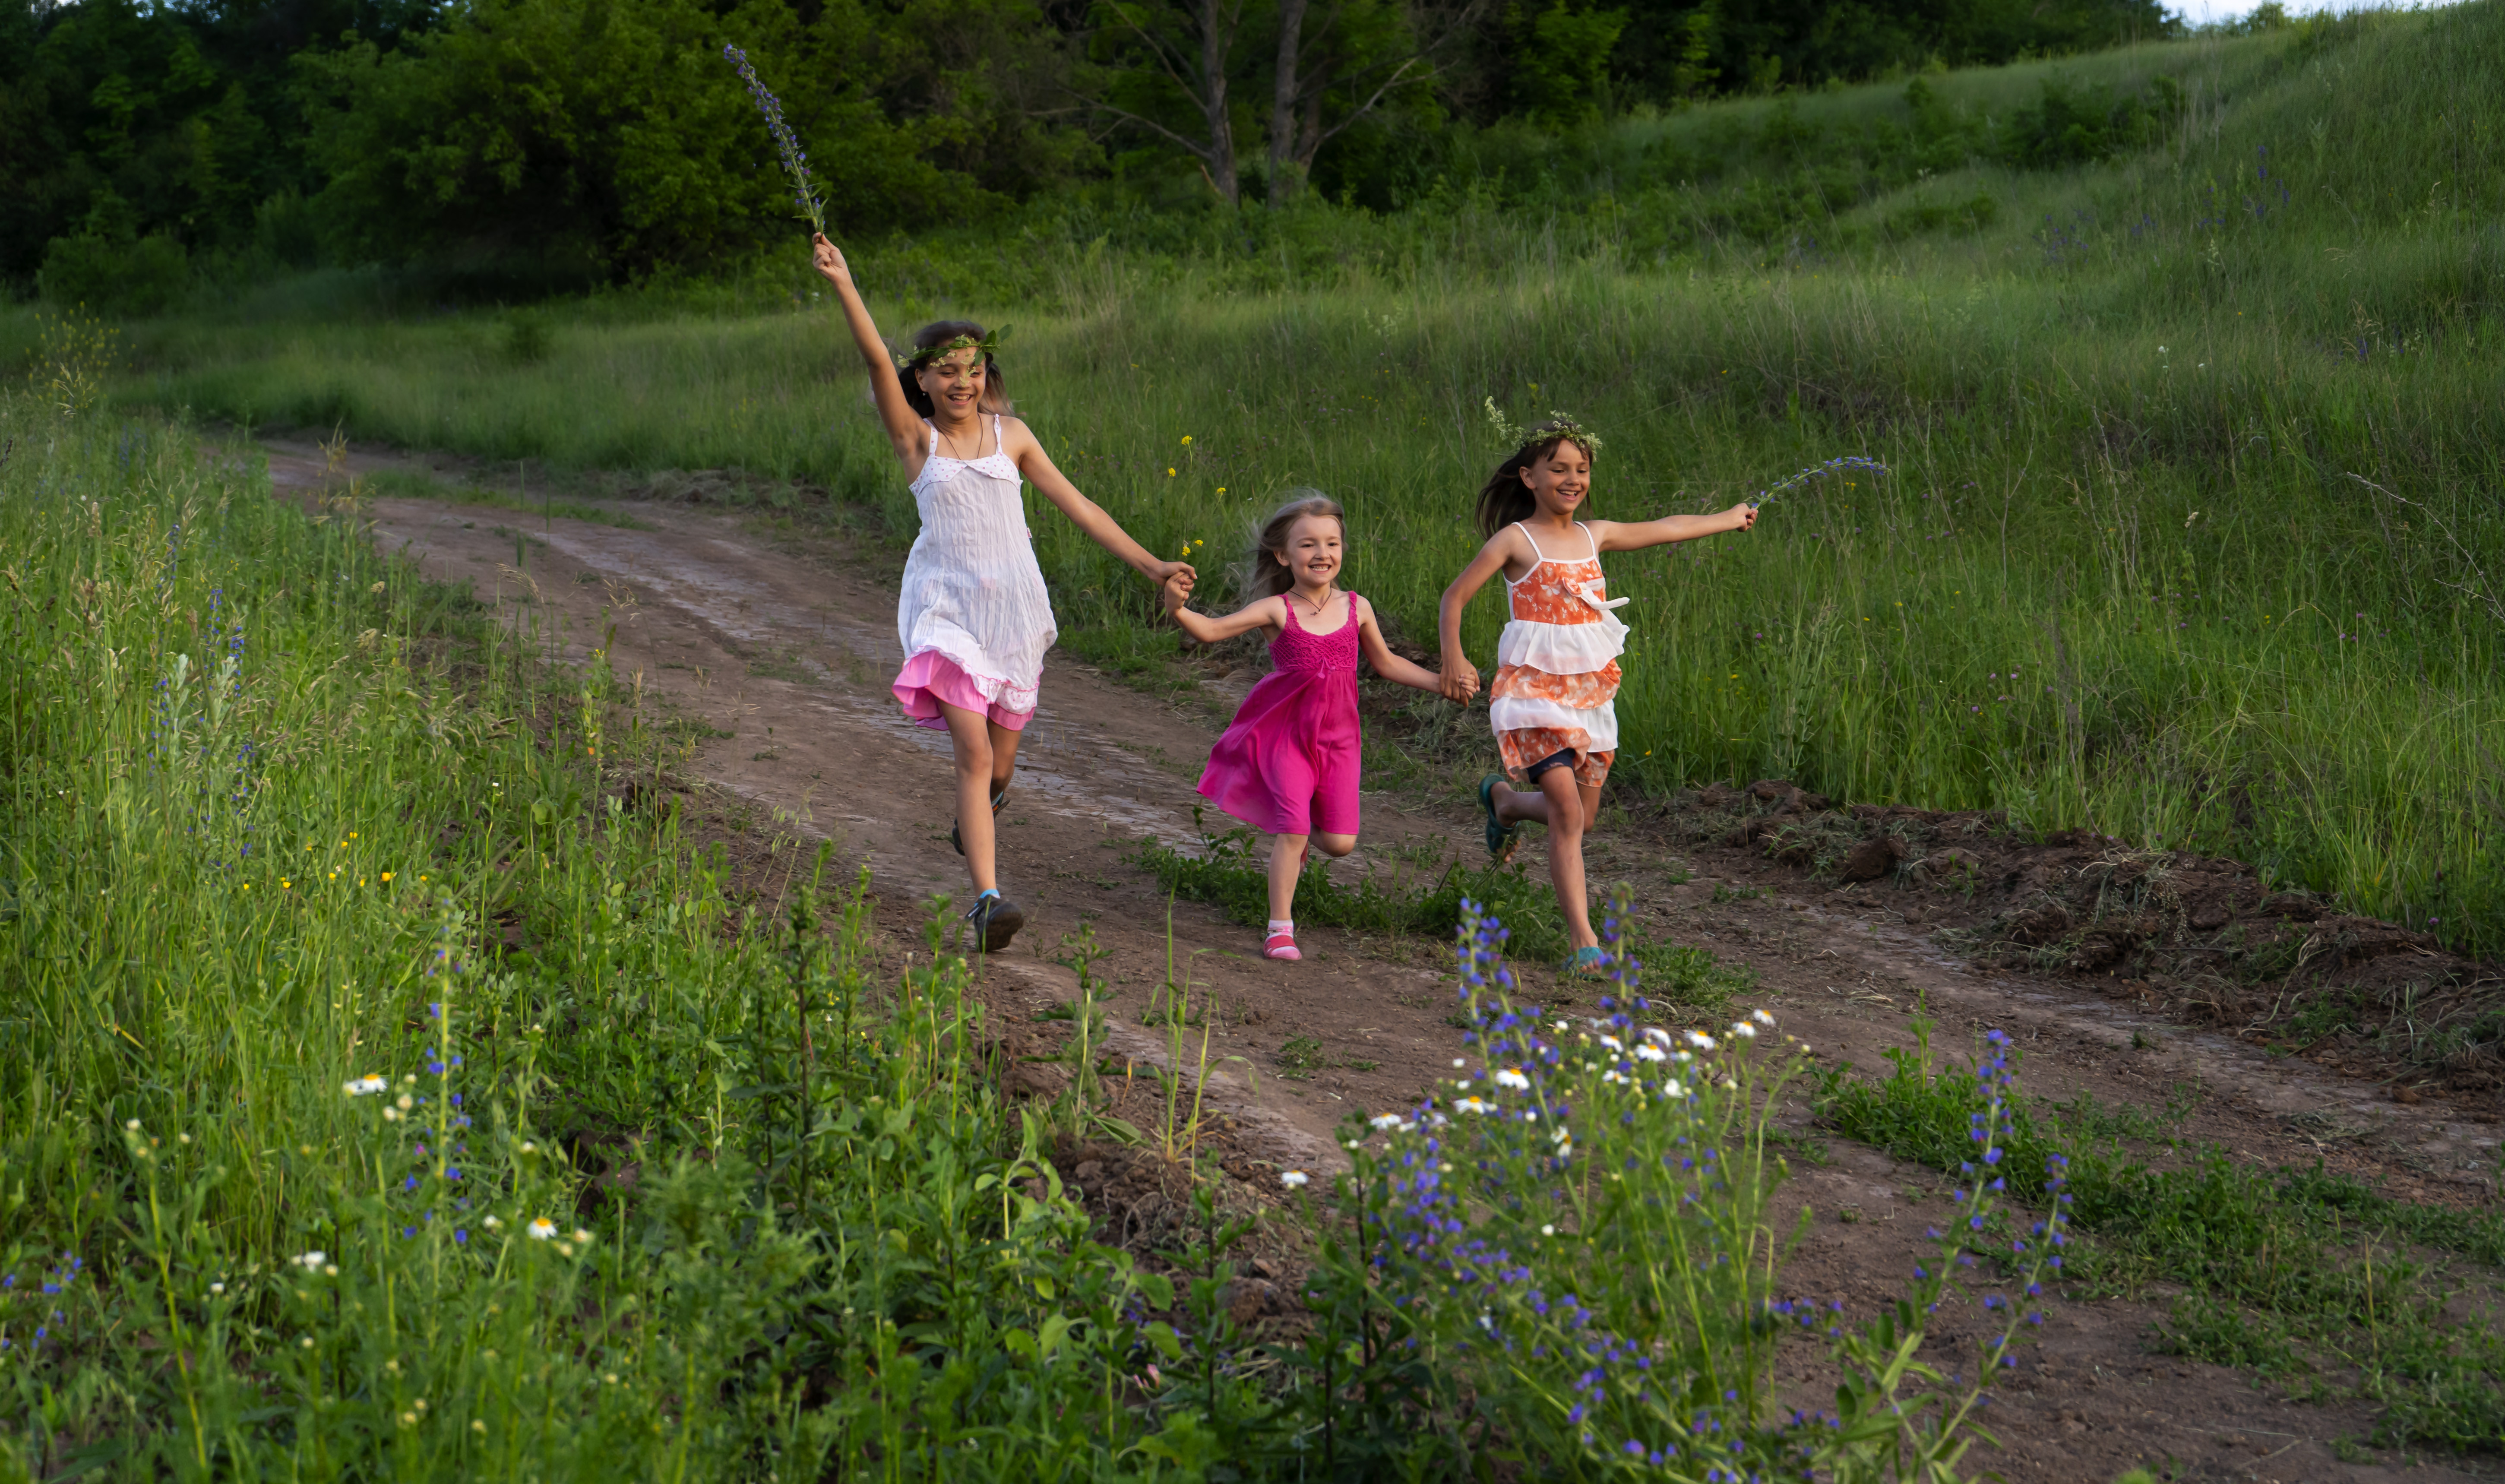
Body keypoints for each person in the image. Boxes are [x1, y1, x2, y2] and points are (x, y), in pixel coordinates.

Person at [811, 232, 1192, 952]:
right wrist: (844, 282)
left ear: (987, 373)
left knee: (1001, 765)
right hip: (947, 612)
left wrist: (1151, 566)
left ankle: (976, 814)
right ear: (920, 380)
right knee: (974, 757)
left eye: (972, 368)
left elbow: (1081, 507)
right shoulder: (916, 443)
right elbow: (871, 358)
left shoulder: (1011, 435)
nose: (960, 381)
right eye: (944, 371)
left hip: (1015, 616)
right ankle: (987, 901)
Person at [1436, 418, 1758, 975]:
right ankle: (1584, 940)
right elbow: (1454, 598)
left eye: (1581, 469)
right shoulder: (1516, 540)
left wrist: (1727, 519)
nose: (1572, 478)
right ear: (1528, 476)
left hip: (1588, 695)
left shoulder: (1595, 535)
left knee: (1582, 819)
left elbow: (1667, 526)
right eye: (1558, 468)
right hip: (1531, 690)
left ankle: (1506, 803)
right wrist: (1453, 658)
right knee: (1565, 813)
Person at [1162, 494, 1456, 961]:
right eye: (1308, 544)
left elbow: (1387, 663)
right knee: (1294, 828)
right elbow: (1212, 630)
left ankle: (1295, 825)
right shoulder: (1278, 609)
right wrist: (1178, 608)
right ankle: (1280, 927)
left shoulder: (1357, 607)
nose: (1322, 553)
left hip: (1340, 740)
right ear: (1284, 555)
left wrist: (1442, 683)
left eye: (1332, 543)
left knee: (1340, 843)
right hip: (1286, 736)